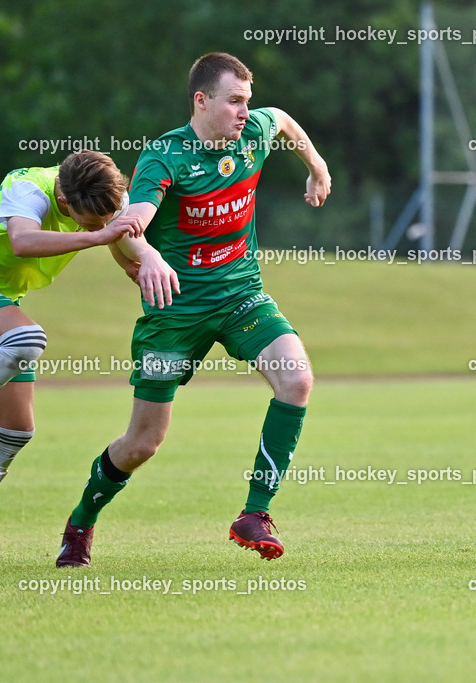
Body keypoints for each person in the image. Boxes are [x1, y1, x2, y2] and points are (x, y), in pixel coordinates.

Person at [56, 52, 331, 567]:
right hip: (174, 313)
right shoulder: (165, 157)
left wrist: (316, 166)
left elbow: (285, 121)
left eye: (247, 101)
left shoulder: (252, 134)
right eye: (234, 102)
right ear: (201, 101)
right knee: (143, 442)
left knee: (296, 379)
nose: (245, 112)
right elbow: (133, 218)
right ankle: (81, 522)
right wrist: (145, 251)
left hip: (240, 295)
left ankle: (255, 513)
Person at [0, 150, 141, 498]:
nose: (99, 228)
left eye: (105, 220)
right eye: (89, 222)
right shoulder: (28, 187)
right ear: (62, 201)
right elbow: (22, 240)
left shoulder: (106, 192)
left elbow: (117, 232)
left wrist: (129, 263)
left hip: (2, 296)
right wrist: (96, 238)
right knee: (25, 339)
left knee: (13, 431)